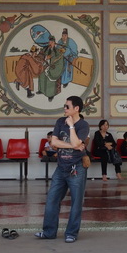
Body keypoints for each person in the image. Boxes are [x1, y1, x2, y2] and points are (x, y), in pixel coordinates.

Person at [35, 96, 89, 243]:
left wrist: (71, 126)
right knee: (52, 199)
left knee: (76, 202)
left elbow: (77, 140)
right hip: (61, 167)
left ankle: (71, 233)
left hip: (76, 168)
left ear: (76, 108)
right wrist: (75, 146)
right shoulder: (60, 121)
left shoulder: (83, 125)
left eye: (67, 106)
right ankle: (49, 232)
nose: (64, 109)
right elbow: (54, 141)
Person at [37, 35, 64, 102]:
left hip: (52, 68)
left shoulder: (58, 51)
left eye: (52, 42)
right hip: (45, 65)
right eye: (49, 42)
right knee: (42, 77)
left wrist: (51, 59)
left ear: (54, 43)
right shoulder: (45, 49)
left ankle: (50, 95)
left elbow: (60, 60)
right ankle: (41, 90)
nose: (50, 43)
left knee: (50, 82)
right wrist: (45, 57)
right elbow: (39, 56)